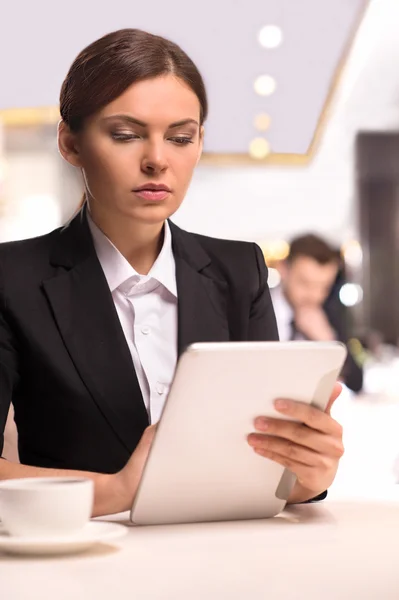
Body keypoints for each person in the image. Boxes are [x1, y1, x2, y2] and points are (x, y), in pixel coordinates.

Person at [0, 29, 344, 517]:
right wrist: (117, 490)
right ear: (71, 143)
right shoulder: (12, 279)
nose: (157, 160)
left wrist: (306, 476)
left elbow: (260, 462)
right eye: (125, 134)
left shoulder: (240, 271)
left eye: (181, 137)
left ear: (200, 143)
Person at [272, 234, 363, 392]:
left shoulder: (330, 312)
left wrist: (328, 340)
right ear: (283, 269)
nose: (315, 295)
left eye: (324, 287)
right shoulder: (252, 309)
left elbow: (357, 382)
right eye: (305, 283)